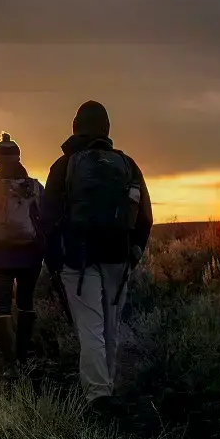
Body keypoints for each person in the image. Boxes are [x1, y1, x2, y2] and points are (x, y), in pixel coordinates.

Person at [39, 101, 153, 410]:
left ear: (77, 127)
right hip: (117, 257)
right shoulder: (127, 164)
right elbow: (145, 217)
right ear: (106, 129)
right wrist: (134, 253)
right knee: (111, 326)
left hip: (78, 259)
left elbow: (46, 220)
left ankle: (99, 396)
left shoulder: (64, 165)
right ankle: (109, 386)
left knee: (91, 327)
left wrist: (55, 260)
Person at [0, 133, 45, 372]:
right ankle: (23, 356)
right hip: (30, 257)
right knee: (26, 303)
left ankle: (11, 361)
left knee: (1, 307)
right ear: (18, 158)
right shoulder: (35, 187)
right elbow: (46, 221)